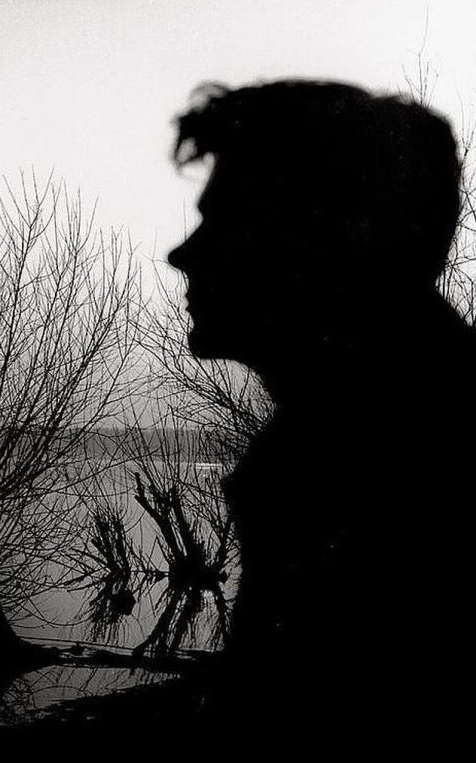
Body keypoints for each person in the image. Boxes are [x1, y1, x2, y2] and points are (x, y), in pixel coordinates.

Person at [168, 80, 475, 757]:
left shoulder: (384, 476)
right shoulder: (338, 448)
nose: (183, 254)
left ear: (331, 237)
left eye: (227, 221)